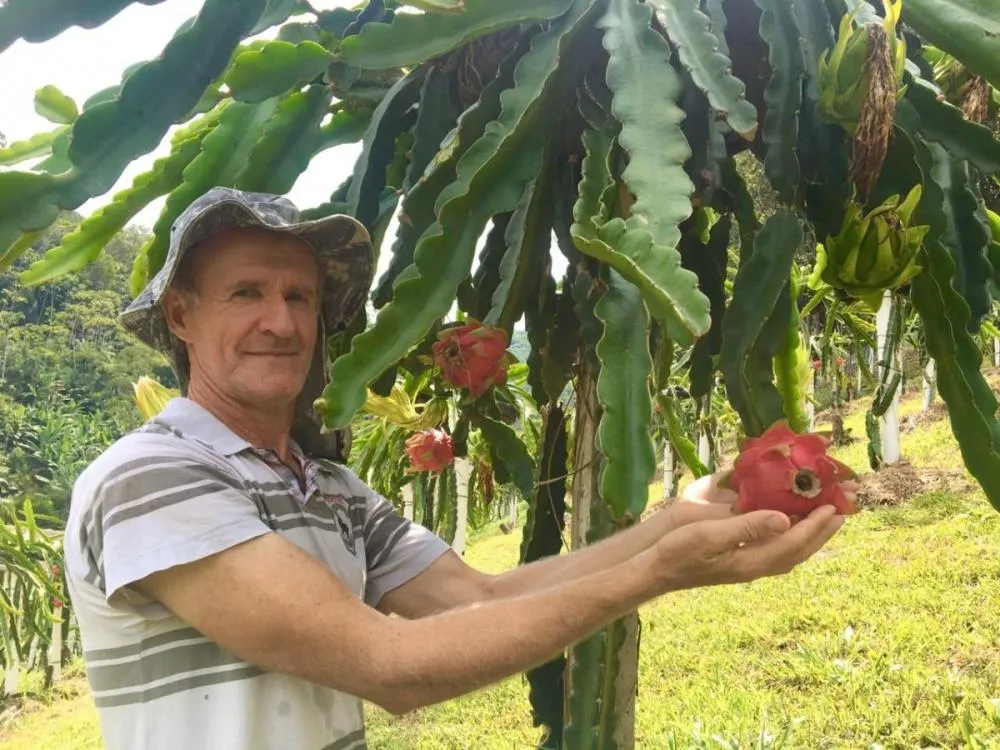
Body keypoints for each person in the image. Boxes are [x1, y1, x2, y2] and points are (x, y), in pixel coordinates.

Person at [64, 187, 849, 750]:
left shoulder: (329, 487)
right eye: (246, 293)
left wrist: (674, 522)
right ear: (180, 316)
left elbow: (479, 597)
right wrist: (654, 575)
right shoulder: (150, 479)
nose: (281, 321)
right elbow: (388, 665)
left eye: (299, 297)